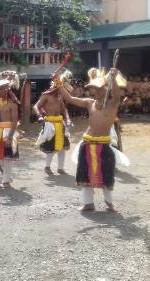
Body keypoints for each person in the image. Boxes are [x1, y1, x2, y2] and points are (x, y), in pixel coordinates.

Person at [59, 67, 129, 212]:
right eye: (92, 89)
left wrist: (114, 79)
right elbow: (70, 99)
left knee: (107, 174)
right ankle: (88, 203)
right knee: (84, 173)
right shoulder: (89, 102)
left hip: (104, 145)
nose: (93, 91)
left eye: (96, 89)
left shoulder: (112, 104)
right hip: (87, 143)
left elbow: (116, 95)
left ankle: (109, 204)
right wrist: (58, 85)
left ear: (105, 89)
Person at [33, 69, 72, 175]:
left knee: (62, 147)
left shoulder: (60, 96)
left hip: (60, 123)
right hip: (50, 124)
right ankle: (47, 167)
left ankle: (60, 168)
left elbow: (64, 110)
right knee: (50, 147)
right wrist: (39, 116)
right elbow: (36, 106)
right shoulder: (46, 95)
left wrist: (67, 119)